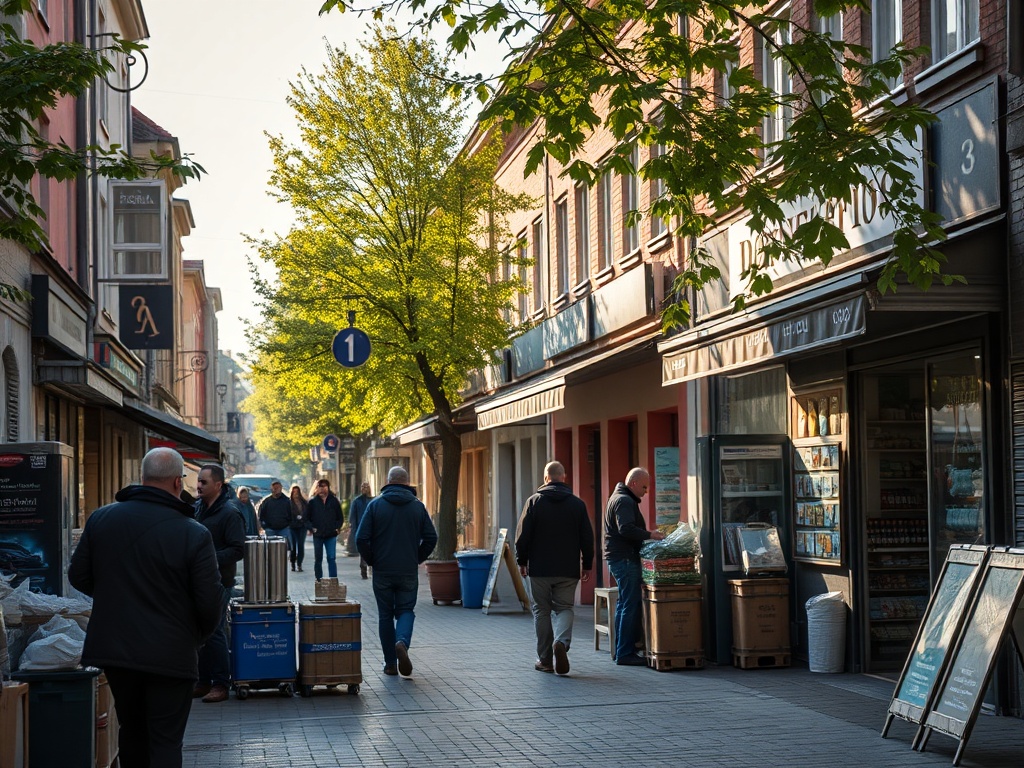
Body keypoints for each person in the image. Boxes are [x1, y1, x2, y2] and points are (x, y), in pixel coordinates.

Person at [68, 447, 224, 768]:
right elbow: (210, 601)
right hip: (171, 653)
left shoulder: (101, 518)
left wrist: (115, 597)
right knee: (165, 739)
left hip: (117, 650)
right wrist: (197, 637)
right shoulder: (193, 533)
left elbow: (78, 576)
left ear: (142, 478)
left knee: (132, 730)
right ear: (178, 483)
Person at [356, 466, 437, 678]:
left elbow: (360, 538)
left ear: (388, 481)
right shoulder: (417, 507)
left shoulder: (375, 505)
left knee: (385, 615)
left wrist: (373, 560)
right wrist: (417, 558)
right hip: (407, 570)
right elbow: (431, 538)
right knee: (406, 610)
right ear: (407, 482)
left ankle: (390, 663)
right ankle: (402, 642)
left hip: (382, 570)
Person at [515, 461, 594, 676]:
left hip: (539, 568)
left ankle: (545, 660)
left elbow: (522, 537)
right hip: (568, 569)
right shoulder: (578, 505)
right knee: (565, 608)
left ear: (545, 478)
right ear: (564, 477)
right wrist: (587, 564)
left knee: (541, 610)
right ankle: (561, 642)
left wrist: (521, 561)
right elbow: (587, 537)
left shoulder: (534, 502)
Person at [193, 464, 246, 702]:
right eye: (198, 481)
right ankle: (203, 682)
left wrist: (210, 558)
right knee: (199, 633)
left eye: (204, 482)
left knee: (213, 631)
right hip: (195, 580)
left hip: (218, 582)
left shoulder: (229, 512)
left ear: (218, 485)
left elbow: (238, 549)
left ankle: (221, 684)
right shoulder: (197, 508)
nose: (199, 485)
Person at [604, 467, 665, 666]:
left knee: (624, 604)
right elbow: (626, 529)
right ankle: (624, 652)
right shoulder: (624, 500)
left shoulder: (619, 497)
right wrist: (650, 535)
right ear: (634, 483)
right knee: (629, 605)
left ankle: (620, 650)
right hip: (625, 558)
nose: (646, 491)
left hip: (619, 557)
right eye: (644, 487)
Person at [306, 478, 344, 581]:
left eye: (324, 486)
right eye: (320, 486)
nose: (322, 489)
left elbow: (340, 517)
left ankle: (333, 580)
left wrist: (337, 527)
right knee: (318, 558)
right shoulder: (313, 502)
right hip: (318, 535)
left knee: (331, 558)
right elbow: (306, 518)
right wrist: (311, 528)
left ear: (328, 487)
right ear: (317, 488)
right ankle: (319, 580)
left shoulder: (334, 501)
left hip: (331, 534)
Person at [348, 481, 373, 578]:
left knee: (373, 549)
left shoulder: (373, 501)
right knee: (364, 549)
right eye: (363, 487)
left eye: (366, 487)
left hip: (372, 529)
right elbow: (352, 517)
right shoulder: (357, 501)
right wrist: (353, 529)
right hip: (360, 528)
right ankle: (363, 568)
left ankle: (371, 567)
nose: (364, 488)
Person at [288, 485, 308, 572]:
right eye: (294, 492)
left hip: (302, 527)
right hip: (292, 527)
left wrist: (305, 521)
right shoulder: (289, 503)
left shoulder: (304, 503)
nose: (296, 494)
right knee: (293, 546)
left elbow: (308, 514)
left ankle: (299, 564)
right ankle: (292, 563)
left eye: (297, 492)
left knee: (301, 545)